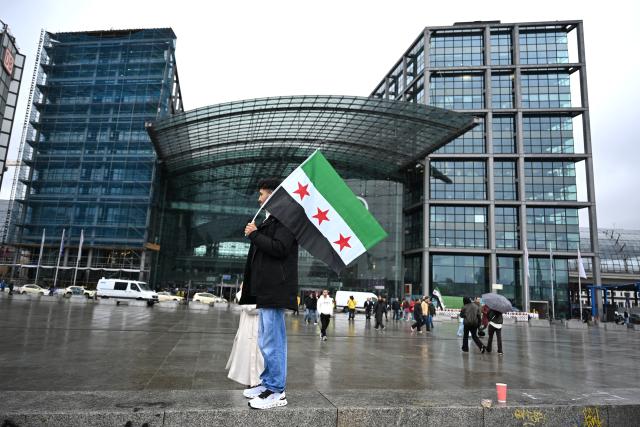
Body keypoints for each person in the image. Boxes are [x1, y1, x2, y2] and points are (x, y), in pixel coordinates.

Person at [240, 178, 298, 410]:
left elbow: (280, 249)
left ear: (273, 195)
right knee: (266, 340)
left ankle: (276, 391)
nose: (259, 199)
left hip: (276, 288)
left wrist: (254, 234)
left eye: (263, 194)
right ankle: (268, 383)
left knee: (273, 341)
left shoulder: (287, 219)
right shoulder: (271, 219)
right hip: (266, 289)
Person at [226, 286, 264, 387]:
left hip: (259, 328)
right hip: (251, 328)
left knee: (258, 358)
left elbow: (251, 308)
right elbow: (250, 308)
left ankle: (257, 384)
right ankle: (254, 384)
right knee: (252, 358)